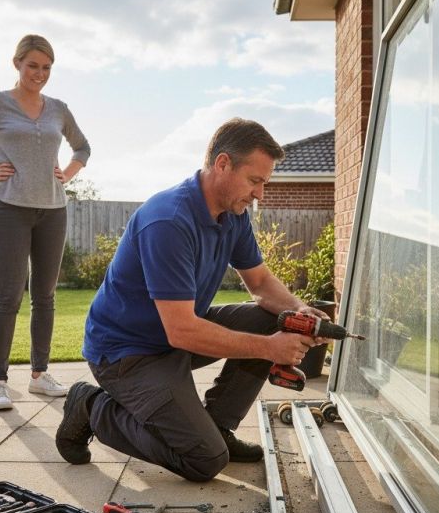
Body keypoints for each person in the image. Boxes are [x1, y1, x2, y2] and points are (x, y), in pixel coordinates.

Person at [55, 118, 324, 481]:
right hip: (127, 354)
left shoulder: (234, 214)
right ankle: (90, 406)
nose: (260, 193)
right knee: (204, 460)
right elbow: (182, 331)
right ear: (223, 164)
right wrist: (271, 350)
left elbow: (259, 282)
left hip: (173, 335)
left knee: (270, 319)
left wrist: (300, 311)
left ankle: (217, 427)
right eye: (255, 180)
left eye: (264, 182)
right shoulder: (168, 220)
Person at [0, 34, 91, 410]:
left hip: (53, 211)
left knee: (45, 296)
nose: (39, 74)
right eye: (33, 66)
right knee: (8, 296)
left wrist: (67, 174)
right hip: (8, 208)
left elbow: (82, 147)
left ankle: (40, 375)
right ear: (17, 64)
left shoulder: (58, 108)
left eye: (46, 68)